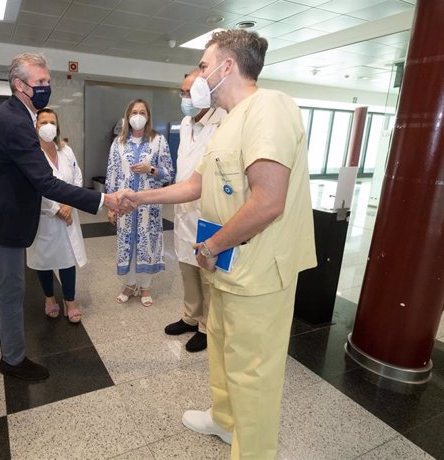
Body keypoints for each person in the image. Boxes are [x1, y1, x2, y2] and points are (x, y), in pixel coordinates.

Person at [120, 29, 316, 459]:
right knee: (225, 352)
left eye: (204, 67)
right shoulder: (229, 121)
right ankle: (225, 420)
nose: (199, 78)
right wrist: (139, 197)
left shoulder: (271, 108)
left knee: (254, 371)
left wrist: (209, 248)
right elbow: (195, 184)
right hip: (228, 264)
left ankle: (254, 451)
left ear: (227, 66)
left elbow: (269, 202)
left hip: (259, 269)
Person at [0, 52, 125, 382]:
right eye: (39, 82)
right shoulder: (15, 120)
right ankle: (13, 359)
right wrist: (104, 199)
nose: (45, 88)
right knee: (11, 288)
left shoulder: (15, 114)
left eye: (47, 82)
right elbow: (45, 181)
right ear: (18, 85)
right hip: (3, 217)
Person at [164, 71, 226, 353]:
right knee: (186, 267)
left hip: (207, 209)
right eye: (182, 92)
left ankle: (205, 325)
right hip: (183, 208)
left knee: (205, 272)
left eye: (190, 92)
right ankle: (190, 315)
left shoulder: (222, 121)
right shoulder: (187, 122)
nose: (185, 98)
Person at [106, 99, 173, 307]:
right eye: (134, 112)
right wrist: (111, 206)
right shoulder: (118, 143)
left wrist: (150, 169)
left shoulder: (158, 141)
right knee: (128, 244)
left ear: (148, 116)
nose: (138, 116)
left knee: (147, 245)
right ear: (127, 116)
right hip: (124, 206)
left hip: (149, 206)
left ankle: (145, 286)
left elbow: (168, 175)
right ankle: (129, 284)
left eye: (142, 112)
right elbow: (112, 174)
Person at [26, 108, 86, 323]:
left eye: (52, 122)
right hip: (45, 217)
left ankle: (70, 300)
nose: (48, 126)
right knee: (45, 259)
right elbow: (33, 187)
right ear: (36, 126)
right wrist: (56, 209)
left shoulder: (66, 150)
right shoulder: (31, 154)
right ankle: (49, 298)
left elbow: (77, 177)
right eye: (43, 122)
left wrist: (70, 203)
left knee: (68, 259)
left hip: (70, 212)